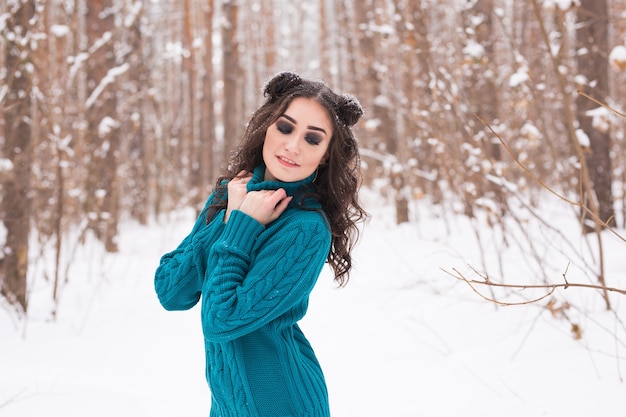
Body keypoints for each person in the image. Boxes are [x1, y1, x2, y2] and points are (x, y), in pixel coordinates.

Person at [154, 71, 367, 417]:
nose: (293, 145)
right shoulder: (230, 193)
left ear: (326, 155)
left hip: (282, 403)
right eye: (285, 127)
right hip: (228, 404)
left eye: (313, 139)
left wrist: (242, 226)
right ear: (267, 127)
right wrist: (228, 217)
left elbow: (221, 320)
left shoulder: (306, 229)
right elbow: (171, 292)